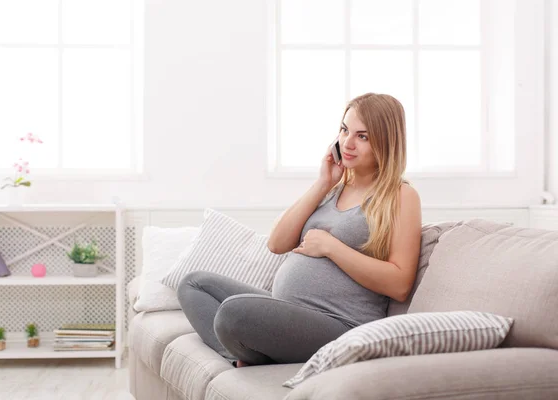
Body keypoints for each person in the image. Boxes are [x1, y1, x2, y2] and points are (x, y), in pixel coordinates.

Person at [177, 92, 422, 368]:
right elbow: (276, 243)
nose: (348, 143)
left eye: (362, 136)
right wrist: (323, 183)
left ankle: (251, 351)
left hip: (342, 325)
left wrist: (331, 247)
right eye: (344, 130)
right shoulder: (335, 188)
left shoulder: (400, 195)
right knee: (193, 284)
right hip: (288, 311)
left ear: (386, 142)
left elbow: (400, 284)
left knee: (233, 313)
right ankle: (246, 354)